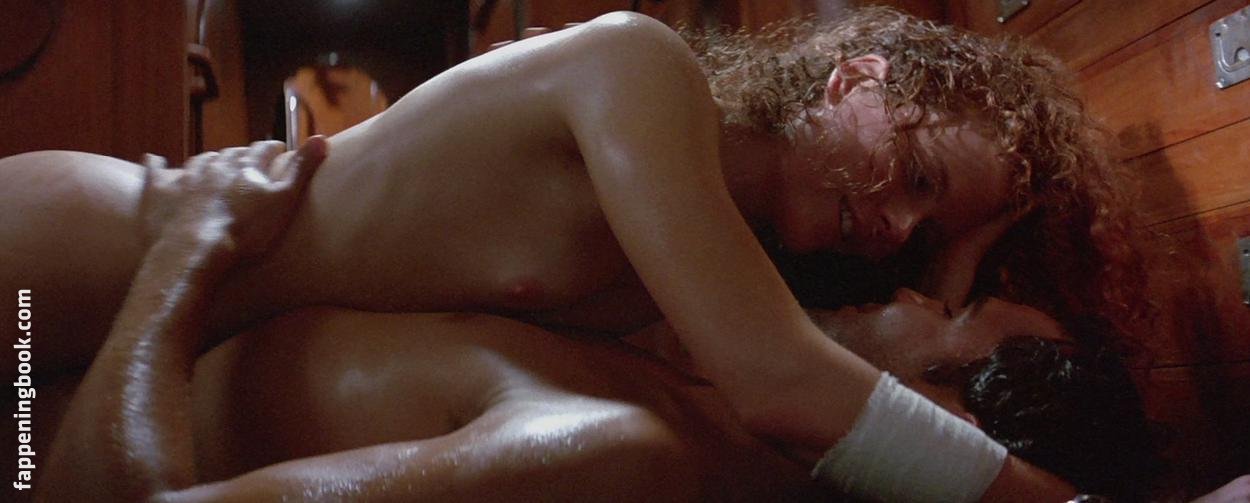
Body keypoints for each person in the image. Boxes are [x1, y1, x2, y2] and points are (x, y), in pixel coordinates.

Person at [2, 7, 1134, 499]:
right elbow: (784, 384)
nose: (895, 230)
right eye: (918, 178)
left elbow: (877, 367)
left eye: (927, 236)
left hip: (174, 333)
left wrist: (957, 265)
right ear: (856, 79)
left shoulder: (702, 261)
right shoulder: (638, 72)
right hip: (78, 252)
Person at [38, 140, 1157, 501]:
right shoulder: (670, 373)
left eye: (949, 309)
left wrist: (190, 250)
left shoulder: (617, 447)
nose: (915, 283)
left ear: (940, 426)